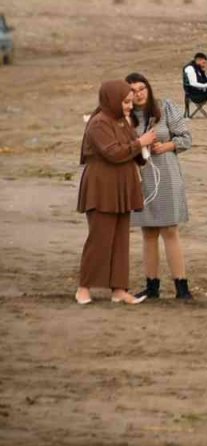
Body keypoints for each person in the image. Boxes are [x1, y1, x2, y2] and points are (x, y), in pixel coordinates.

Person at [75, 80, 156, 305]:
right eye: (126, 102)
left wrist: (143, 147)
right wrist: (140, 142)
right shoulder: (98, 123)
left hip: (122, 186)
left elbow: (133, 153)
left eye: (130, 102)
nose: (130, 106)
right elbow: (113, 153)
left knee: (121, 241)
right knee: (100, 239)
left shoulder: (122, 122)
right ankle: (84, 288)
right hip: (102, 187)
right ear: (112, 100)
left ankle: (119, 290)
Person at [126, 72, 194, 301]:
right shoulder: (125, 116)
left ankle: (181, 287)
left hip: (167, 174)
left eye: (141, 88)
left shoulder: (165, 107)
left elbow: (186, 138)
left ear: (149, 88)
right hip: (142, 177)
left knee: (170, 230)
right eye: (133, 91)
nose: (138, 94)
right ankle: (152, 286)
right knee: (148, 232)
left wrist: (167, 146)